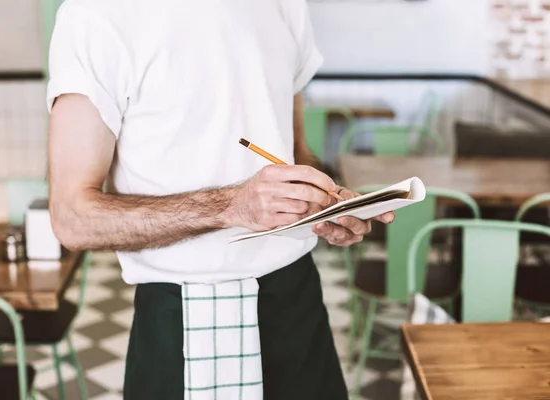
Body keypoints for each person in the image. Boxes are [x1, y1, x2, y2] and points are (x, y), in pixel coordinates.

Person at [46, 0, 394, 398]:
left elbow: (295, 154)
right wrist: (231, 205)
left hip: (297, 295)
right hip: (187, 312)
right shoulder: (95, 14)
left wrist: (327, 202)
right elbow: (71, 217)